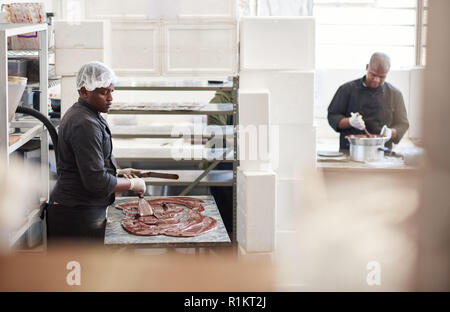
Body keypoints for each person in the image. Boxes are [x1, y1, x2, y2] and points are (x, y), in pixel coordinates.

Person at [47, 61, 146, 245]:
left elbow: (94, 161)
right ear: (84, 91)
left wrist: (117, 172)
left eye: (111, 91)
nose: (110, 98)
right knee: (79, 273)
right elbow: (96, 182)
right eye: (103, 92)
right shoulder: (84, 123)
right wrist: (132, 184)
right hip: (75, 215)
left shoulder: (91, 115)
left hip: (83, 209)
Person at [327, 52, 409, 152]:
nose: (376, 80)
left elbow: (402, 124)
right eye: (373, 74)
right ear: (367, 67)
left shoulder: (395, 94)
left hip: (382, 153)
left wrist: (391, 133)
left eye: (382, 77)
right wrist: (350, 122)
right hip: (350, 151)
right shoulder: (346, 90)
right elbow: (332, 116)